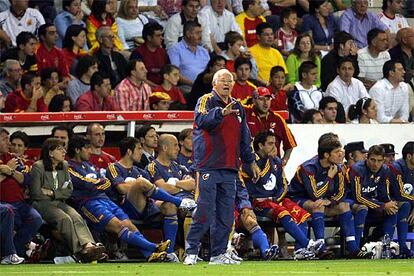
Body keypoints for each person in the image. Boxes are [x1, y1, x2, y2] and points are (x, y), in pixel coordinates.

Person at [184, 69, 260, 265]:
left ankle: (218, 254)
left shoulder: (238, 107)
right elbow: (201, 120)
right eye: (223, 80)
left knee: (226, 214)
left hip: (230, 167)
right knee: (205, 209)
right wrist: (220, 113)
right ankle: (191, 250)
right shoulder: (205, 100)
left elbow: (244, 137)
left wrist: (250, 161)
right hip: (208, 165)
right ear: (214, 84)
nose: (227, 84)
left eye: (230, 81)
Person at [67, 135, 170, 262]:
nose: (90, 151)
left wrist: (96, 183)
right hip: (88, 203)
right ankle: (154, 247)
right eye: (87, 148)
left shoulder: (89, 165)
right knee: (119, 226)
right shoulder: (69, 167)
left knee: (128, 224)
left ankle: (149, 255)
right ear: (77, 150)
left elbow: (106, 183)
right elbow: (84, 183)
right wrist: (97, 183)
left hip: (105, 199)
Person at [105, 136, 197, 260]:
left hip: (148, 206)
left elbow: (153, 189)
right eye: (138, 149)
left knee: (169, 206)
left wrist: (174, 185)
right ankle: (180, 202)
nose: (141, 152)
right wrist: (138, 186)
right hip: (126, 209)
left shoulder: (139, 170)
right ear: (129, 151)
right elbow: (121, 188)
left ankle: (169, 253)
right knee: (141, 183)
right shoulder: (114, 167)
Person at [241, 131, 322, 260]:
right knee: (282, 211)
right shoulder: (250, 162)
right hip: (257, 202)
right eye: (270, 144)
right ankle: (308, 244)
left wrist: (275, 199)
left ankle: (300, 250)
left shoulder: (276, 161)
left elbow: (283, 184)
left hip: (274, 199)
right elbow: (261, 179)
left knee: (300, 213)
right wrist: (269, 159)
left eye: (275, 143)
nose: (274, 147)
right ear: (260, 146)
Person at [289, 136, 372, 258]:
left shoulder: (338, 167)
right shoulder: (308, 167)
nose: (341, 155)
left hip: (324, 201)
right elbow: (315, 195)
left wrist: (331, 201)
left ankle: (353, 248)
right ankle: (320, 247)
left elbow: (342, 192)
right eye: (337, 152)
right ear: (327, 155)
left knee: (343, 206)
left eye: (341, 151)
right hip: (298, 199)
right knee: (317, 205)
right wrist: (329, 177)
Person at [29, 138, 106, 263]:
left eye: (64, 148)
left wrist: (52, 192)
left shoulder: (64, 165)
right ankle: (81, 252)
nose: (64, 151)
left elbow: (69, 191)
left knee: (76, 216)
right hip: (41, 204)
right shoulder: (38, 167)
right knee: (64, 219)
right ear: (50, 153)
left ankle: (89, 246)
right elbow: (36, 193)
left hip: (59, 202)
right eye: (60, 149)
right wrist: (58, 194)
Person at [146, 134, 197, 262]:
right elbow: (162, 188)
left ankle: (191, 252)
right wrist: (181, 186)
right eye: (175, 145)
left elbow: (192, 184)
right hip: (159, 204)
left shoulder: (179, 167)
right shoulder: (153, 166)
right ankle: (169, 253)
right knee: (171, 205)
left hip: (184, 202)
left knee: (196, 207)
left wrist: (175, 183)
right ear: (164, 148)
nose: (178, 149)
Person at [0, 127, 43, 260]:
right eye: (5, 139)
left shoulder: (13, 159)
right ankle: (10, 253)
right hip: (4, 203)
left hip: (20, 203)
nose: (9, 144)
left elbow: (26, 179)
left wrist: (10, 171)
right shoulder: (9, 161)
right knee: (9, 211)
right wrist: (6, 169)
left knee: (36, 218)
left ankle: (15, 252)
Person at [348, 145, 399, 250]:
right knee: (362, 208)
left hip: (370, 202)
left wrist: (389, 204)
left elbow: (383, 194)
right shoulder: (357, 169)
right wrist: (382, 206)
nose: (376, 164)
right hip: (351, 201)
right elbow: (358, 197)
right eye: (373, 160)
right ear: (367, 157)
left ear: (383, 160)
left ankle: (386, 246)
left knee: (393, 209)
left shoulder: (385, 170)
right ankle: (356, 250)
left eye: (379, 161)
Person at [245, 86, 297, 164]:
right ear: (254, 101)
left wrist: (284, 160)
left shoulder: (277, 119)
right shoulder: (246, 114)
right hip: (251, 164)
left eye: (268, 99)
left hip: (273, 165)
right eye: (261, 99)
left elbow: (290, 143)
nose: (265, 103)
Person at [167, 21, 210, 94]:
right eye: (197, 33)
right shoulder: (175, 49)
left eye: (201, 33)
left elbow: (210, 71)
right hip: (186, 86)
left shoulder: (204, 51)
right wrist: (195, 84)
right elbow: (175, 74)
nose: (200, 36)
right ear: (188, 34)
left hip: (205, 86)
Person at [387, 141, 414, 258]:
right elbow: (399, 193)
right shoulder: (397, 167)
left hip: (409, 202)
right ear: (409, 156)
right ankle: (399, 247)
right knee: (404, 205)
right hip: (393, 200)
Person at [130, 22, 169, 88]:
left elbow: (169, 71)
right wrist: (158, 88)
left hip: (164, 87)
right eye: (158, 35)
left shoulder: (163, 52)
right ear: (149, 38)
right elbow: (137, 77)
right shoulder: (137, 53)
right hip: (145, 88)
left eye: (162, 35)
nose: (162, 38)